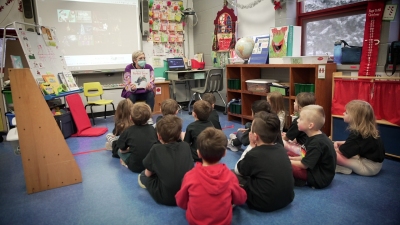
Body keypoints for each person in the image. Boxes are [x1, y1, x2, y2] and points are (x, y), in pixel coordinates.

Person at [175, 127, 247, 225]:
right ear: (224, 153)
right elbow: (240, 199)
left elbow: (181, 202)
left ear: (198, 153)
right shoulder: (230, 176)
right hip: (224, 222)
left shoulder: (189, 176)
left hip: (195, 221)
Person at [235, 111, 294, 212]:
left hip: (262, 203)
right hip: (288, 198)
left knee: (232, 175)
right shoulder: (280, 148)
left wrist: (251, 146)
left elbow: (238, 169)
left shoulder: (253, 154)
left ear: (255, 136)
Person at [138, 115, 194, 206]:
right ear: (179, 134)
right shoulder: (186, 146)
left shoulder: (156, 149)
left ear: (159, 136)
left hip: (166, 197)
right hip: (187, 194)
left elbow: (148, 174)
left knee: (143, 176)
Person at [289, 105, 336, 188]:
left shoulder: (317, 143)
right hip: (314, 167)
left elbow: (304, 165)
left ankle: (305, 181)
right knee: (290, 154)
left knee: (287, 166)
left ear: (310, 125)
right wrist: (291, 158)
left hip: (319, 178)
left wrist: (287, 161)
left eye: (301, 119)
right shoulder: (312, 135)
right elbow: (304, 155)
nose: (297, 121)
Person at [334, 100, 385, 176]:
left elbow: (342, 152)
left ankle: (343, 168)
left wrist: (334, 148)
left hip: (369, 168)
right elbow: (358, 144)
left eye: (346, 112)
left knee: (332, 154)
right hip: (375, 165)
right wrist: (341, 143)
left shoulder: (357, 134)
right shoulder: (366, 130)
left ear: (355, 118)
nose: (343, 113)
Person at [116, 102, 158, 172]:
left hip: (135, 167)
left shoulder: (128, 131)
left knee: (119, 151)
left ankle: (126, 163)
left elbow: (121, 148)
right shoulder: (152, 129)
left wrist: (130, 149)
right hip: (151, 165)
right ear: (149, 118)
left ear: (131, 118)